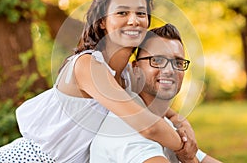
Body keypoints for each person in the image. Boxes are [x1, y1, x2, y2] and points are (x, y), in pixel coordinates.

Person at [0, 0, 186, 163]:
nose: (134, 20)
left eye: (141, 13)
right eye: (122, 12)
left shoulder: (127, 76)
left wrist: (179, 120)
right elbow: (148, 125)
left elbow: (152, 108)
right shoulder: (88, 65)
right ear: (103, 21)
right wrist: (185, 147)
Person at [90, 24, 222, 163]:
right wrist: (189, 159)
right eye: (157, 60)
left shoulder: (165, 124)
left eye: (178, 62)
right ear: (136, 69)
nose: (169, 70)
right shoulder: (126, 129)